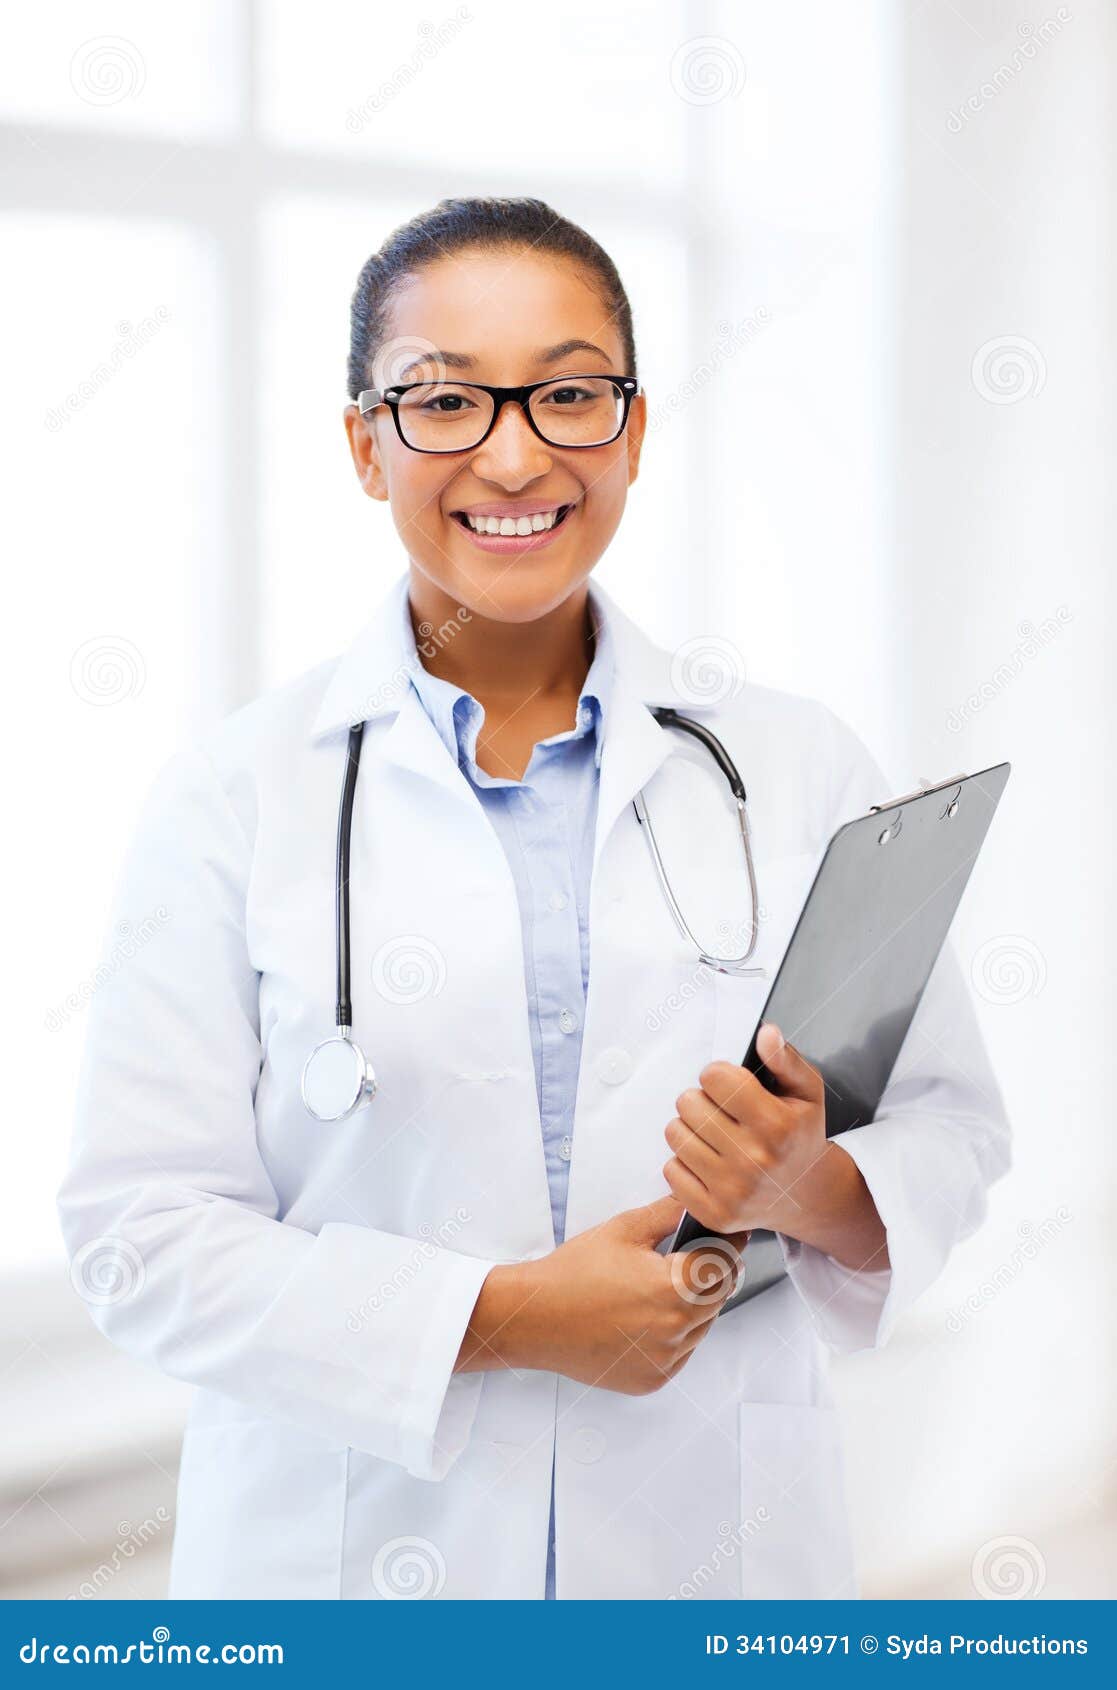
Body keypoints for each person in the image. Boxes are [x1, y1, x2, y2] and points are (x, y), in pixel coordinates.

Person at [58, 196, 1009, 1601]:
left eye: (568, 394)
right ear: (363, 445)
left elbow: (950, 1127)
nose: (513, 451)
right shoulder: (234, 794)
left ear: (629, 431)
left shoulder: (795, 763)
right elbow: (137, 1236)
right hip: (342, 1564)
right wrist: (495, 1319)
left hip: (709, 1558)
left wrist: (812, 1186)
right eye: (442, 401)